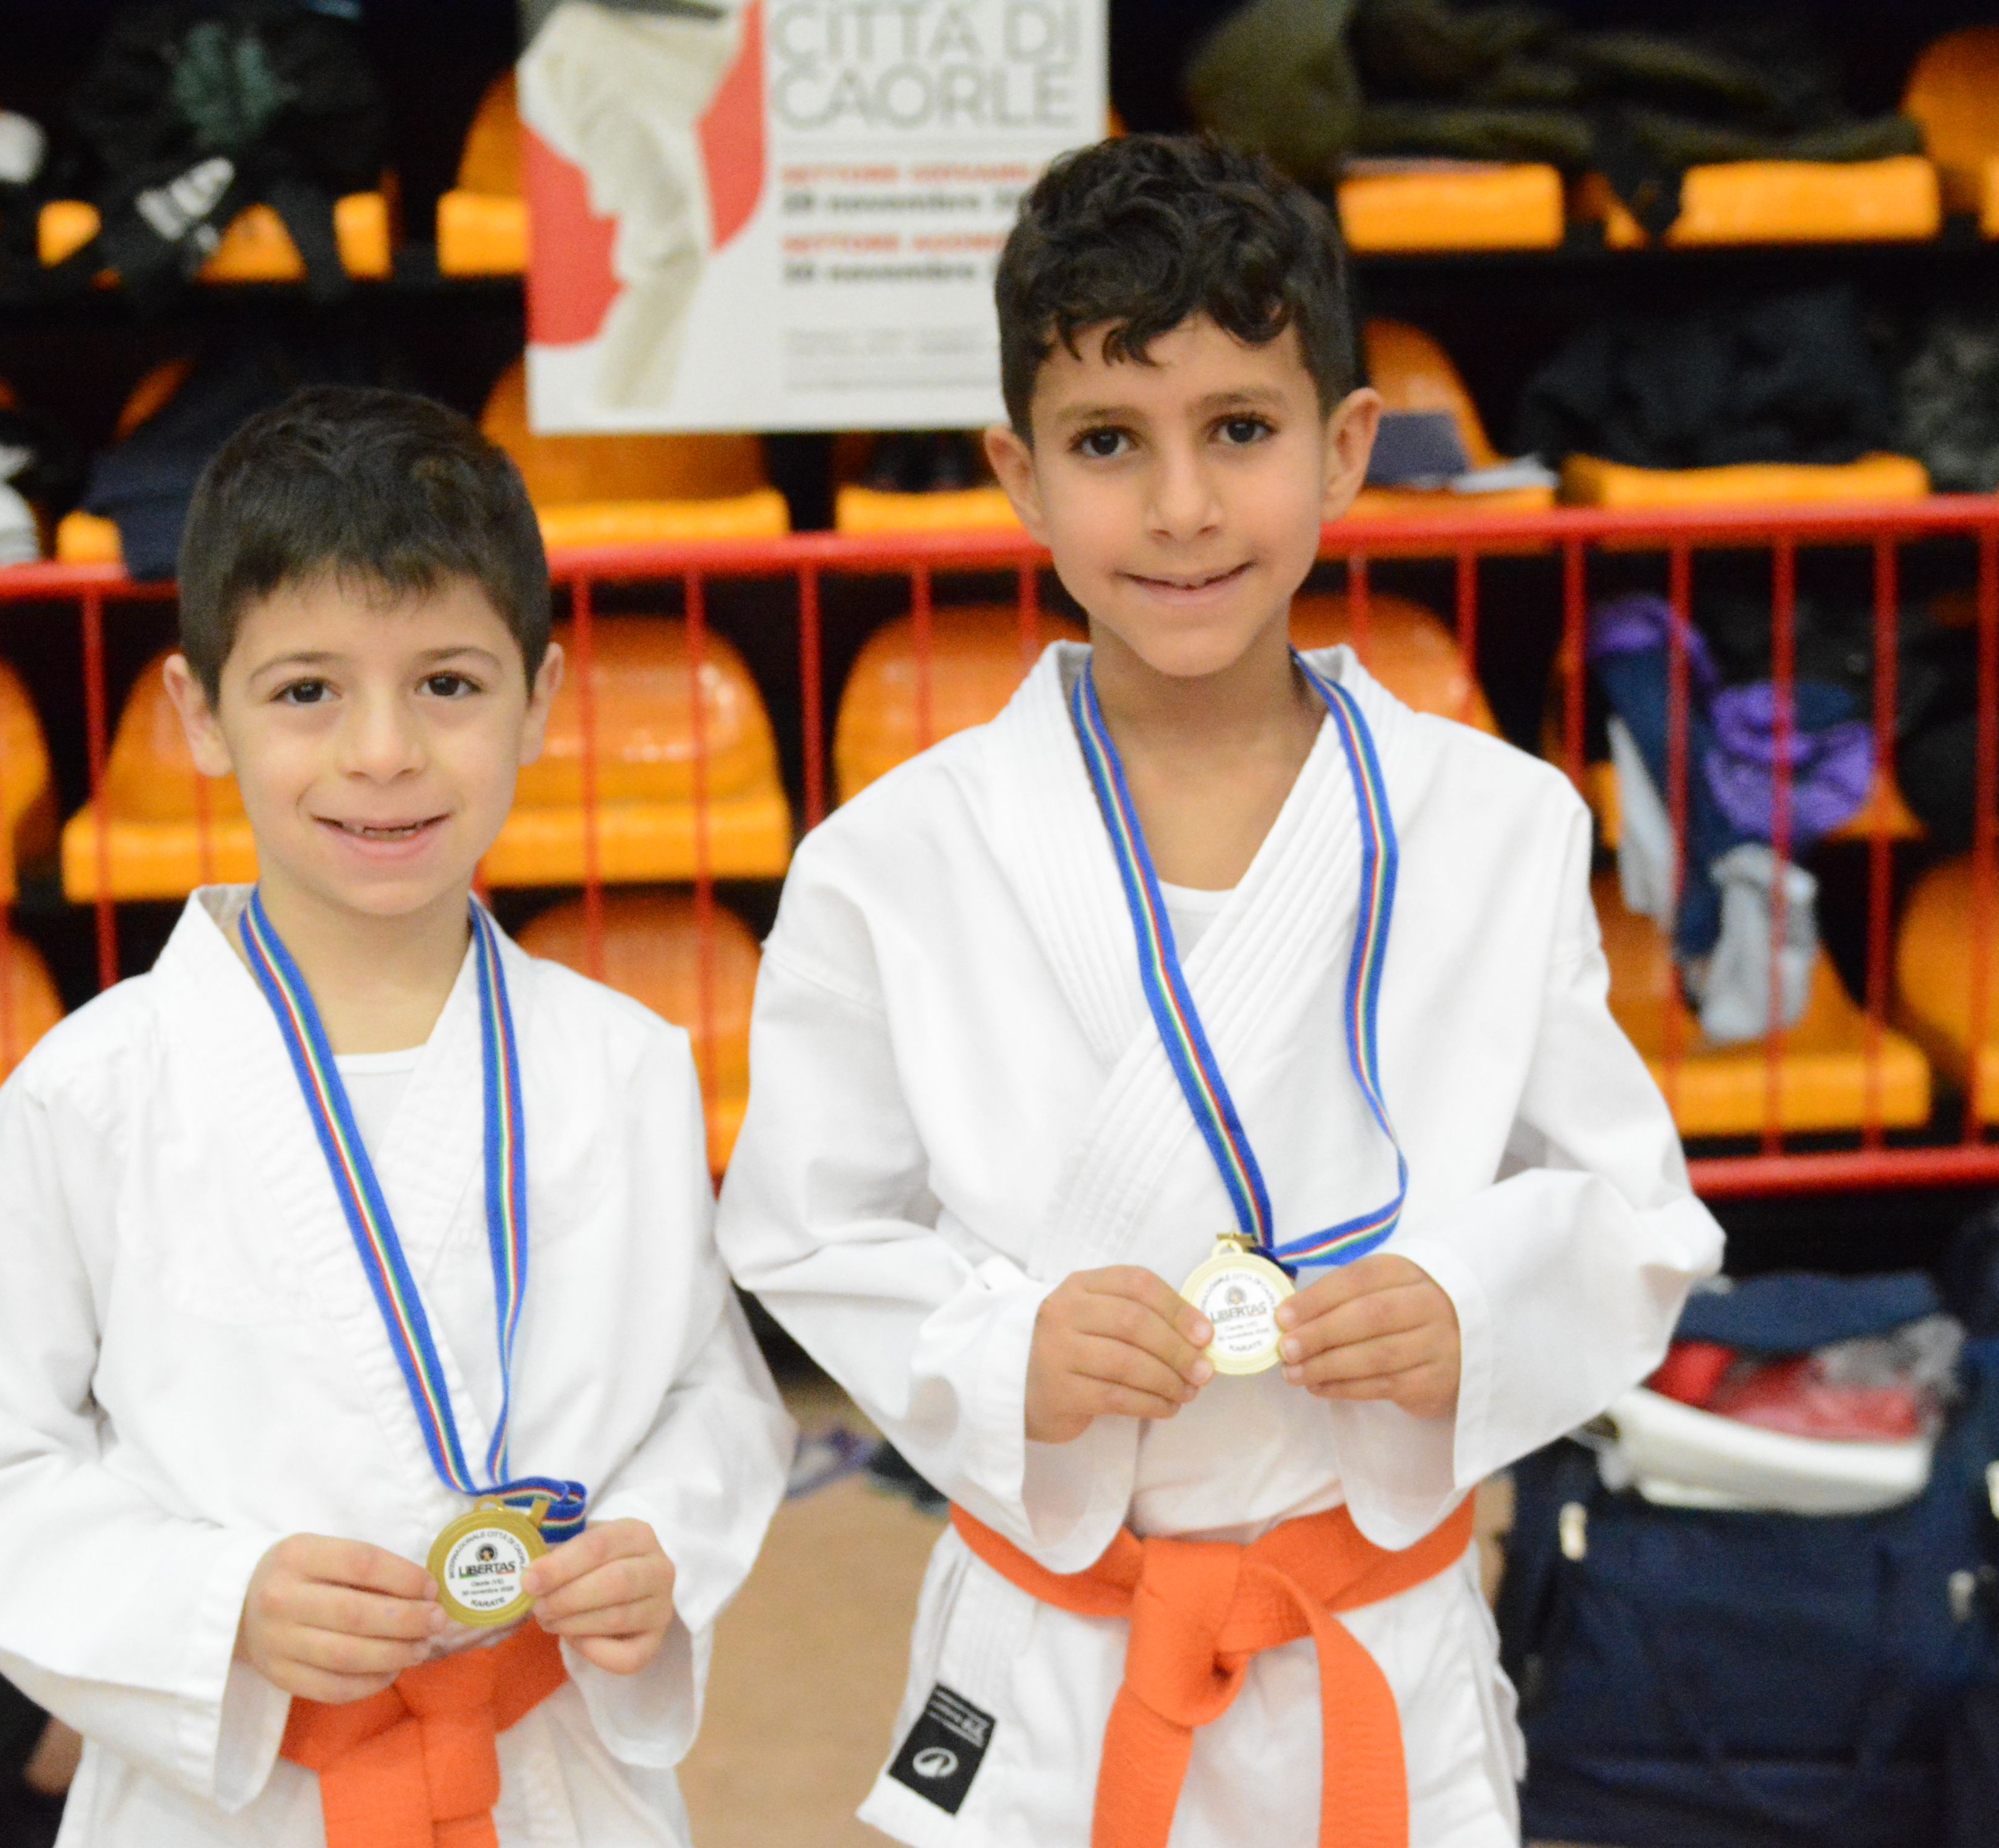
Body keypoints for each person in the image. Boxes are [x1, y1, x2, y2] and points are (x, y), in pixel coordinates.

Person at [716, 136, 1724, 1848]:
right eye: (1109, 442)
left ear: (1345, 449)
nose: (1180, 508)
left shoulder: (1496, 826)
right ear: (1019, 475)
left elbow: (1634, 1214)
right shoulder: (890, 860)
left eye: (1239, 430)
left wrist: (1467, 1305)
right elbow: (805, 1227)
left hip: (1368, 1631)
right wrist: (1006, 1348)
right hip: (1058, 1646)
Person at [0, 386, 795, 1847]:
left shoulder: (622, 1065)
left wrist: (657, 1544)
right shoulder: (95, 1090)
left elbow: (710, 1397)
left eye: (448, 684)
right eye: (306, 691)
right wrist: (217, 1603)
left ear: (540, 699)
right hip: (234, 1797)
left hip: (550, 1769)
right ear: (199, 713)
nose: (382, 752)